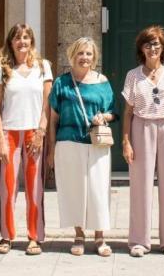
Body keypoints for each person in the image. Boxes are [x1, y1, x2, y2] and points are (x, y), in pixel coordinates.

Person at [47, 37, 118, 257]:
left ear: (94, 57)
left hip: (96, 144)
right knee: (74, 190)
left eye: (89, 54)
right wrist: (51, 148)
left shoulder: (102, 81)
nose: (84, 57)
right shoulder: (61, 83)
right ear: (72, 55)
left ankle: (99, 237)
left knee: (98, 190)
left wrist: (102, 116)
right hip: (68, 142)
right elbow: (53, 119)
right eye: (81, 53)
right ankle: (79, 235)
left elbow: (113, 112)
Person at [122, 25, 164, 257]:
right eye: (147, 44)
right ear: (142, 48)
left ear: (163, 47)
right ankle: (139, 240)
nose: (152, 48)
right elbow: (127, 112)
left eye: (157, 44)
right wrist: (126, 142)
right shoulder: (133, 75)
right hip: (142, 127)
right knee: (140, 186)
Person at [0, 23, 51, 255]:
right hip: (10, 133)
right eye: (17, 38)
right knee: (7, 188)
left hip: (34, 133)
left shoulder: (43, 67)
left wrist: (41, 132)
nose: (22, 42)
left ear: (31, 41)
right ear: (11, 42)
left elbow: (47, 104)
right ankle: (6, 236)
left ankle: (35, 237)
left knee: (35, 188)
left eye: (26, 38)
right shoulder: (2, 70)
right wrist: (0, 140)